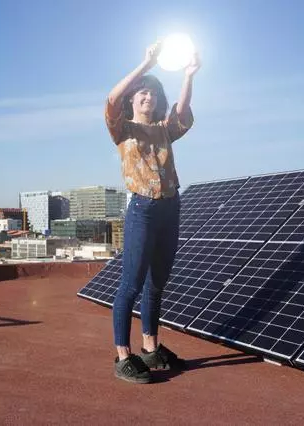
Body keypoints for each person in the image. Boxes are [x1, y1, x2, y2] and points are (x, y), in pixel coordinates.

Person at [104, 40, 201, 383]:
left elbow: (182, 115)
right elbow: (111, 100)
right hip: (142, 210)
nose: (149, 98)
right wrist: (146, 65)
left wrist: (188, 75)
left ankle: (150, 347)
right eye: (143, 93)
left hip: (170, 207)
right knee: (131, 284)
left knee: (157, 284)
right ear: (133, 98)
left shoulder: (164, 130)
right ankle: (123, 355)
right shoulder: (122, 129)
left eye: (154, 94)